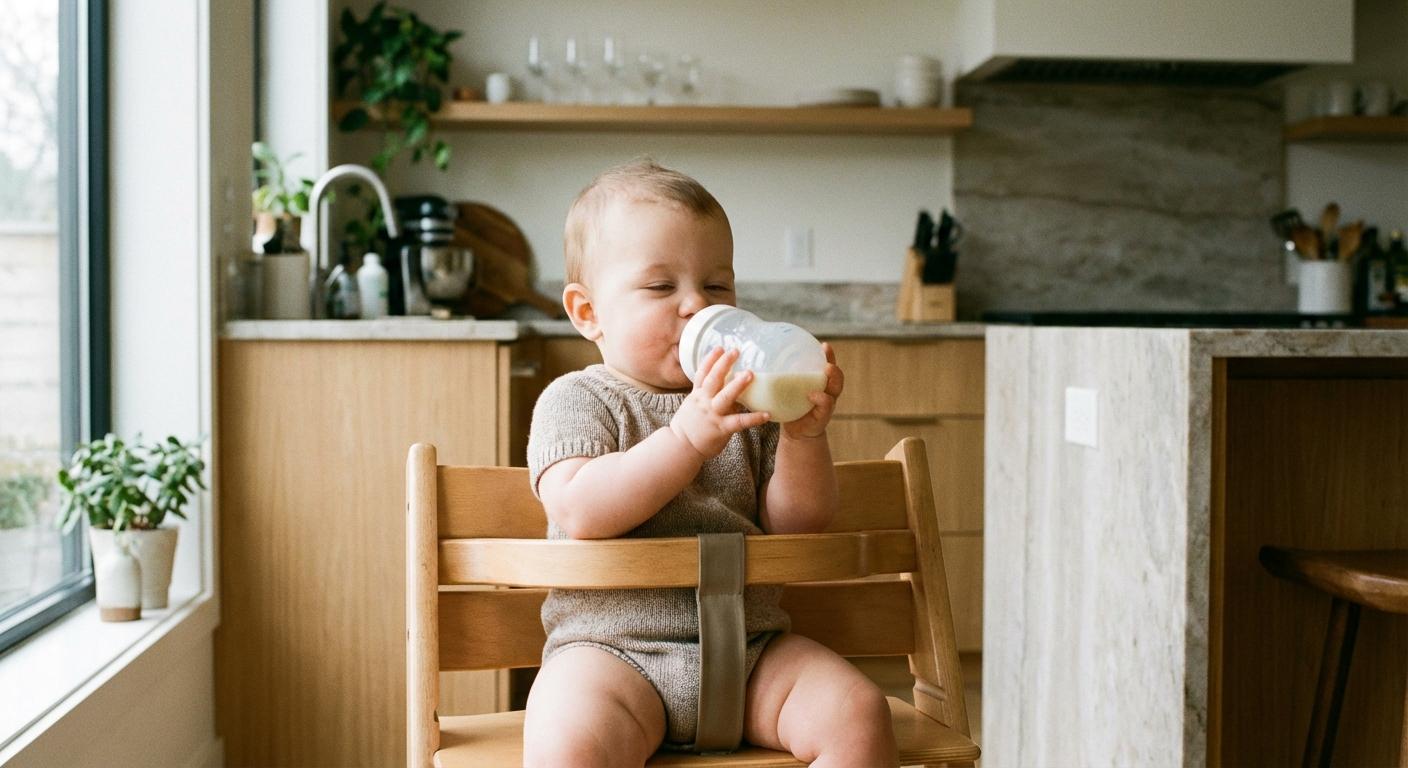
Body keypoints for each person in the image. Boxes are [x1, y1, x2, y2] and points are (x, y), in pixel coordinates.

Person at [522, 159, 898, 767]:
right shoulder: (578, 400)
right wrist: (685, 439)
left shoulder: (751, 404)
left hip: (750, 651)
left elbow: (799, 526)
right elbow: (581, 510)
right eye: (661, 287)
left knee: (859, 713)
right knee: (567, 741)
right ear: (588, 312)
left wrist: (803, 437)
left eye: (716, 286)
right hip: (611, 655)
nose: (696, 305)